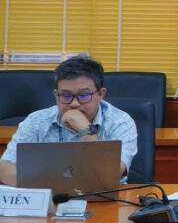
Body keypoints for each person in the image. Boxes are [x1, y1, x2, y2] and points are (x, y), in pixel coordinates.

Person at [0, 55, 138, 186]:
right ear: (56, 95)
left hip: (103, 200)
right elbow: (5, 170)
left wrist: (86, 131)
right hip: (49, 197)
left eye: (84, 95)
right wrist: (57, 185)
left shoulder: (120, 122)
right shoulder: (36, 121)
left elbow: (109, 175)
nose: (74, 104)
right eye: (66, 96)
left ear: (101, 94)